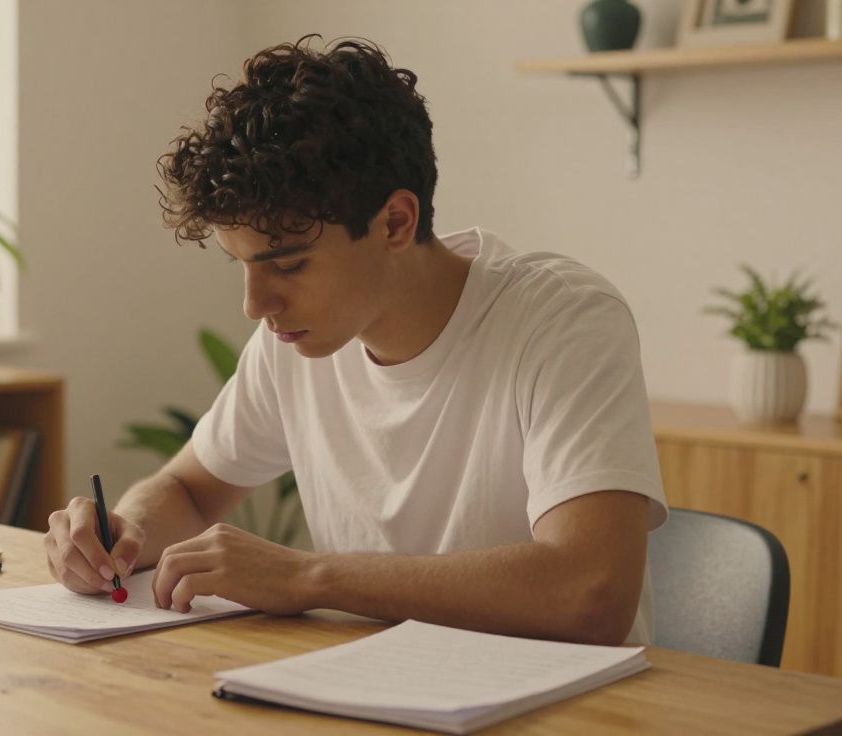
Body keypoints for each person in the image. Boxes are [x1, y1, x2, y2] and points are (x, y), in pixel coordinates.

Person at [43, 35, 667, 646]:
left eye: (287, 265)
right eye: (243, 265)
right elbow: (188, 488)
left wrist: (311, 576)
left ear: (396, 221)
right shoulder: (293, 342)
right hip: (367, 692)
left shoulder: (562, 321)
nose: (255, 305)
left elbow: (591, 592)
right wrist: (123, 533)